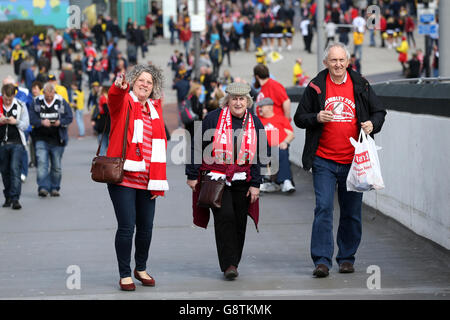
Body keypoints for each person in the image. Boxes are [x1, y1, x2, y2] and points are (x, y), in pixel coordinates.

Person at [293, 43, 386, 278]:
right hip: (323, 160)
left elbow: (379, 112)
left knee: (351, 212)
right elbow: (299, 118)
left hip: (354, 161)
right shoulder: (315, 86)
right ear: (326, 63)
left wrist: (372, 124)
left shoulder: (360, 84)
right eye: (333, 60)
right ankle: (322, 261)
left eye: (341, 60)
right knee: (323, 208)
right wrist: (316, 117)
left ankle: (346, 258)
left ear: (348, 61)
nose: (338, 64)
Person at [185, 82, 267, 280]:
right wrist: (192, 174)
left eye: (241, 99)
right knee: (225, 218)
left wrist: (256, 183)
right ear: (227, 100)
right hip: (217, 178)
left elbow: (262, 155)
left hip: (243, 180)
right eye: (234, 99)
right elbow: (198, 145)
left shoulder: (255, 123)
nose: (238, 103)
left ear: (247, 101)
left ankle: (234, 262)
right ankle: (228, 264)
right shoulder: (213, 118)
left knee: (239, 222)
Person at [107, 64, 168, 291]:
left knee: (146, 228)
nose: (145, 84)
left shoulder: (155, 108)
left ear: (154, 87)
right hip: (123, 177)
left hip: (149, 178)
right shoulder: (124, 103)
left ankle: (140, 268)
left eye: (149, 82)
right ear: (132, 81)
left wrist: (158, 178)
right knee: (126, 227)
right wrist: (118, 88)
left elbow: (158, 143)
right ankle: (124, 273)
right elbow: (113, 99)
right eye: (141, 80)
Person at [29, 83, 73, 198]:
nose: (49, 98)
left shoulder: (61, 102)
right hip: (41, 138)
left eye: (51, 96)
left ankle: (54, 188)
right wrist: (41, 122)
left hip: (57, 139)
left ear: (54, 93)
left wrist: (60, 122)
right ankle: (43, 187)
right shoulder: (37, 101)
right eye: (47, 96)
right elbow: (31, 117)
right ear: (43, 93)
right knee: (42, 163)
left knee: (56, 166)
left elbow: (69, 117)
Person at [0, 84, 30, 210]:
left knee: (14, 169)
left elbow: (26, 125)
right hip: (2, 143)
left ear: (14, 96)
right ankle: (7, 196)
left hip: (17, 143)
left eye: (10, 98)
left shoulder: (20, 105)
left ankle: (15, 198)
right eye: (6, 98)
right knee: (5, 171)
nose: (7, 101)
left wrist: (15, 121)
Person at [257, 97, 295, 194]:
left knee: (282, 151)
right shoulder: (257, 120)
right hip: (263, 149)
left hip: (278, 147)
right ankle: (262, 181)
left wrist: (285, 142)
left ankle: (286, 181)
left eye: (262, 107)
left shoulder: (281, 119)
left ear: (270, 107)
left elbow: (291, 134)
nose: (259, 109)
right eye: (259, 107)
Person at [91, 85, 110, 155]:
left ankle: (103, 157)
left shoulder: (103, 97)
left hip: (104, 121)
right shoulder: (104, 97)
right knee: (104, 141)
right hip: (105, 121)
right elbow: (106, 109)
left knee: (103, 141)